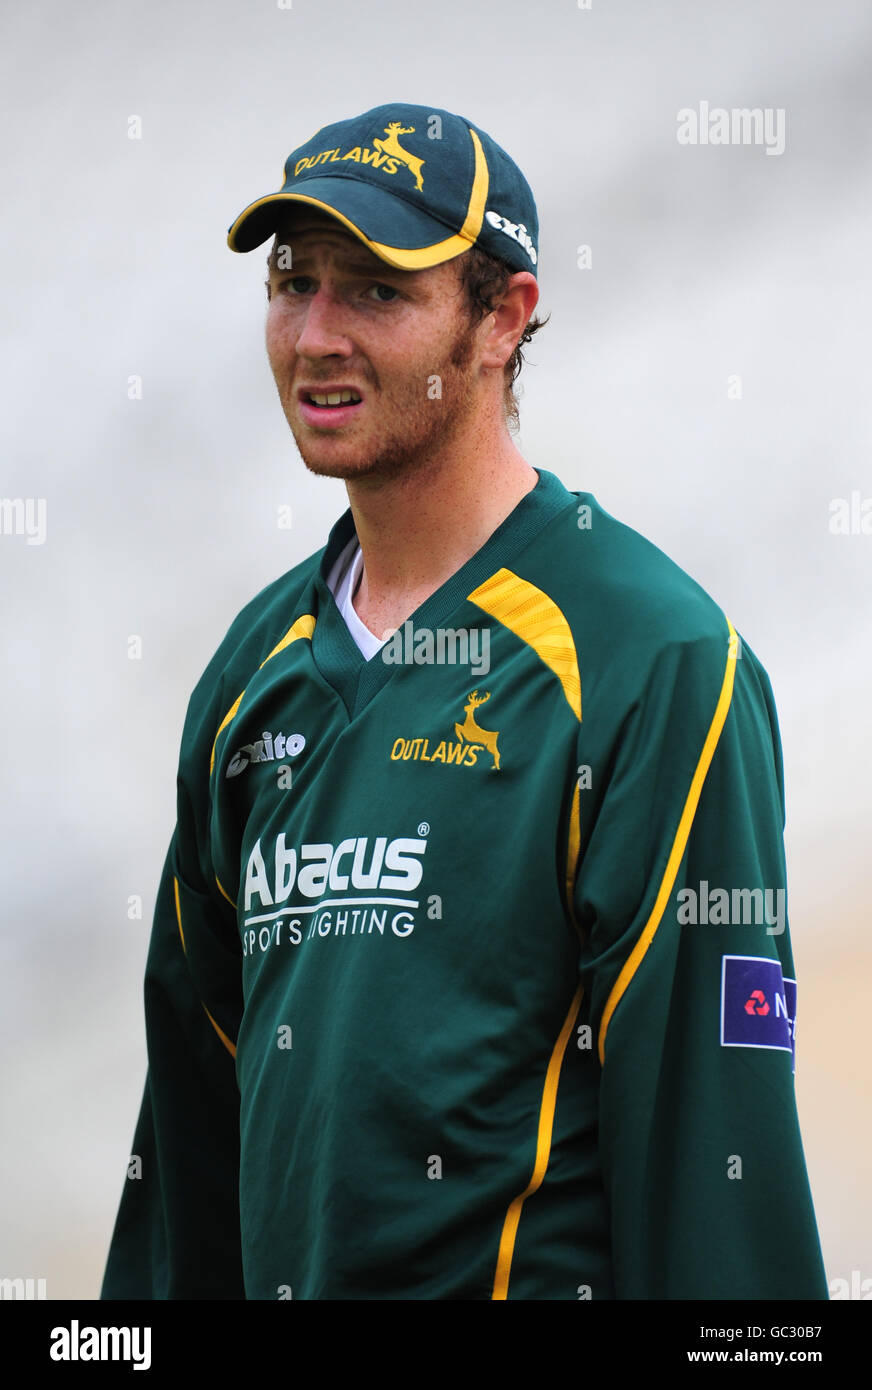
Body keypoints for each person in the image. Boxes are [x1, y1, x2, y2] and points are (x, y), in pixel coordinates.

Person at [102, 102, 828, 1301]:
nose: (315, 335)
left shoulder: (652, 658)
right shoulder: (248, 677)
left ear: (503, 318)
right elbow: (186, 1154)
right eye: (293, 283)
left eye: (376, 292)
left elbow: (716, 1156)